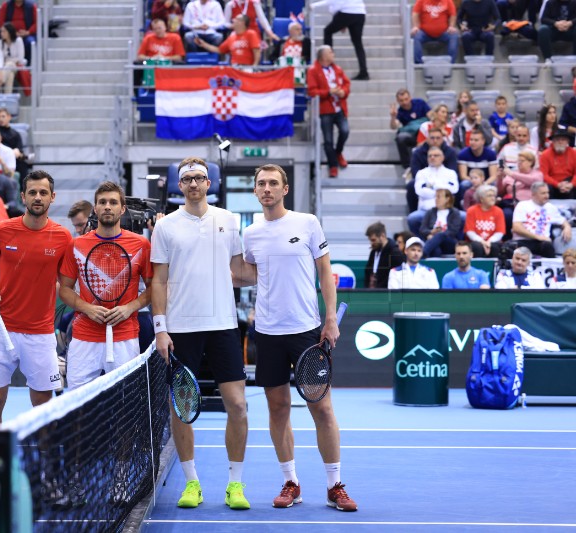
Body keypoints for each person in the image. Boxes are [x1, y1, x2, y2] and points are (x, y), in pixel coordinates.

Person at [239, 164, 358, 512]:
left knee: (321, 408)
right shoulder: (251, 234)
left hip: (306, 330)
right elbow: (250, 274)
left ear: (285, 189)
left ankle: (335, 486)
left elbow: (325, 271)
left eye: (273, 183)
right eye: (261, 183)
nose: (267, 189)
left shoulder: (307, 222)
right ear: (256, 191)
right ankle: (290, 482)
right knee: (278, 409)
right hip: (268, 333)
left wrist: (330, 317)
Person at [150, 157, 250, 510]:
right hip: (181, 330)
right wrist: (161, 328)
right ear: (180, 185)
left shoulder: (229, 220)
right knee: (182, 408)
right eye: (187, 179)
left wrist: (280, 263)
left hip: (224, 325)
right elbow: (158, 280)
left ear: (210, 183)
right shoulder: (165, 227)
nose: (193, 184)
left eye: (199, 178)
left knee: (238, 405)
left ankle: (234, 485)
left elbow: (240, 270)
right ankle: (192, 482)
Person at [0, 169, 71, 430]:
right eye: (32, 192)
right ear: (23, 196)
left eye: (43, 193)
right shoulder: (2, 230)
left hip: (39, 335)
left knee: (42, 405)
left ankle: (44, 463)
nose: (37, 197)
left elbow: (67, 285)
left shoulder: (63, 237)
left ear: (52, 197)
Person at [59, 181, 152, 394]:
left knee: (126, 405)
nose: (107, 206)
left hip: (125, 338)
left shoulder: (141, 245)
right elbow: (64, 288)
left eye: (113, 202)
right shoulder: (76, 245)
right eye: (102, 202)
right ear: (95, 208)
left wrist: (129, 308)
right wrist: (87, 308)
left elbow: (153, 288)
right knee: (77, 405)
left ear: (123, 208)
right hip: (84, 338)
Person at [308, 45, 350, 178]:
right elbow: (312, 91)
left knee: (345, 131)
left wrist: (344, 91)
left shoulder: (337, 69)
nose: (333, 54)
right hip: (325, 109)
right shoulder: (313, 70)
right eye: (331, 52)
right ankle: (333, 165)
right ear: (323, 56)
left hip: (339, 107)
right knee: (328, 140)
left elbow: (346, 83)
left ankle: (338, 153)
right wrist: (328, 92)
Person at [512, 181, 573, 258]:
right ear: (533, 194)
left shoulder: (551, 208)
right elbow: (517, 228)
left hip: (542, 243)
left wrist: (567, 227)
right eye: (543, 193)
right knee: (509, 247)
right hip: (523, 241)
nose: (547, 196)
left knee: (548, 246)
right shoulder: (522, 205)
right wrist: (537, 236)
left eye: (547, 193)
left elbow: (563, 221)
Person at [408, 146, 460, 236]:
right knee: (412, 218)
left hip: (447, 210)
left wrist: (431, 186)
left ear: (443, 158)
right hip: (426, 210)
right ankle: (421, 243)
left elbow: (453, 190)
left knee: (464, 217)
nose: (432, 157)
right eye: (430, 156)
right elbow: (420, 191)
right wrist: (442, 189)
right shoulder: (421, 173)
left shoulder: (451, 173)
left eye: (436, 155)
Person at [310, 0, 368, 80]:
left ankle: (328, 62)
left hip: (346, 12)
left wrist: (314, 5)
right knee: (358, 43)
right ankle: (364, 72)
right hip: (360, 13)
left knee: (327, 31)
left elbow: (334, 3)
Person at [194, 14, 261, 66]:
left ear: (242, 23)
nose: (233, 20)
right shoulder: (232, 37)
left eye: (236, 19)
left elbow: (257, 51)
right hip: (234, 67)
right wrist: (203, 44)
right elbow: (219, 50)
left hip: (248, 67)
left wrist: (254, 66)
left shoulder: (251, 34)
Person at [390, 89, 431, 169]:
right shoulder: (400, 112)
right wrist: (393, 117)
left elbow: (431, 116)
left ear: (410, 98)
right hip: (413, 136)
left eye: (406, 99)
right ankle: (407, 167)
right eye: (401, 101)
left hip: (425, 134)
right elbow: (394, 126)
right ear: (398, 101)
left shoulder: (420, 103)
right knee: (400, 138)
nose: (404, 102)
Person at [419, 188, 463, 257]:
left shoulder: (454, 213)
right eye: (435, 197)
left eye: (439, 197)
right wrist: (431, 232)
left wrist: (435, 235)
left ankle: (422, 253)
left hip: (449, 242)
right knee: (436, 250)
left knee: (440, 235)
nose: (436, 199)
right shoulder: (430, 212)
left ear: (447, 199)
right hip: (433, 241)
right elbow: (422, 229)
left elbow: (453, 231)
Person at [465, 184, 505, 258]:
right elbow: (470, 232)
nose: (493, 198)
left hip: (493, 241)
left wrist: (489, 242)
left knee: (495, 247)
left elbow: (500, 232)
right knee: (477, 247)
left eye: (494, 196)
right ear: (481, 199)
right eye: (489, 196)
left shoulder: (499, 211)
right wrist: (483, 242)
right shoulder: (471, 210)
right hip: (475, 241)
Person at [539, 127, 576, 200]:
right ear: (553, 141)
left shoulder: (574, 153)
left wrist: (571, 184)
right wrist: (558, 185)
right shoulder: (545, 154)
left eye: (563, 140)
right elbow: (544, 175)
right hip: (552, 185)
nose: (560, 142)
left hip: (569, 183)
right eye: (557, 140)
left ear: (567, 142)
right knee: (545, 186)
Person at [364, 222, 405, 288]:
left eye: (373, 240)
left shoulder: (395, 253)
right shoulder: (374, 251)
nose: (371, 243)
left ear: (382, 236)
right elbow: (368, 273)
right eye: (370, 240)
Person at [0, 23, 28, 96]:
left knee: (10, 64)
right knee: (10, 75)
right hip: (7, 68)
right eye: (1, 31)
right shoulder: (0, 43)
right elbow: (0, 58)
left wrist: (9, 62)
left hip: (17, 66)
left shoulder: (18, 41)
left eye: (4, 31)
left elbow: (20, 58)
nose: (2, 33)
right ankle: (7, 98)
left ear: (10, 32)